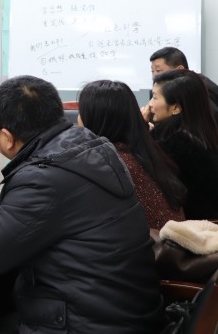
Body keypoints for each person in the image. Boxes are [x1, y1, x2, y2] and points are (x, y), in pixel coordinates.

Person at [0, 75, 162, 333]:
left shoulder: (42, 178)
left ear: (7, 137)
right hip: (124, 314)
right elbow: (44, 216)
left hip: (85, 323)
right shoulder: (89, 148)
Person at [78, 79, 186, 229]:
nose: (78, 119)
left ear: (96, 118)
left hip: (154, 242)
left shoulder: (112, 164)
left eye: (81, 112)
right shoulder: (142, 151)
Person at [147, 69, 218, 220]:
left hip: (194, 226)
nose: (150, 104)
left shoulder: (177, 144)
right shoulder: (203, 133)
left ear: (176, 108)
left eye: (155, 97)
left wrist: (139, 129)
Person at [145, 46, 218, 120]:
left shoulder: (199, 91)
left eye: (158, 71)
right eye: (152, 71)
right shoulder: (160, 90)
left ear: (180, 70)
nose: (154, 77)